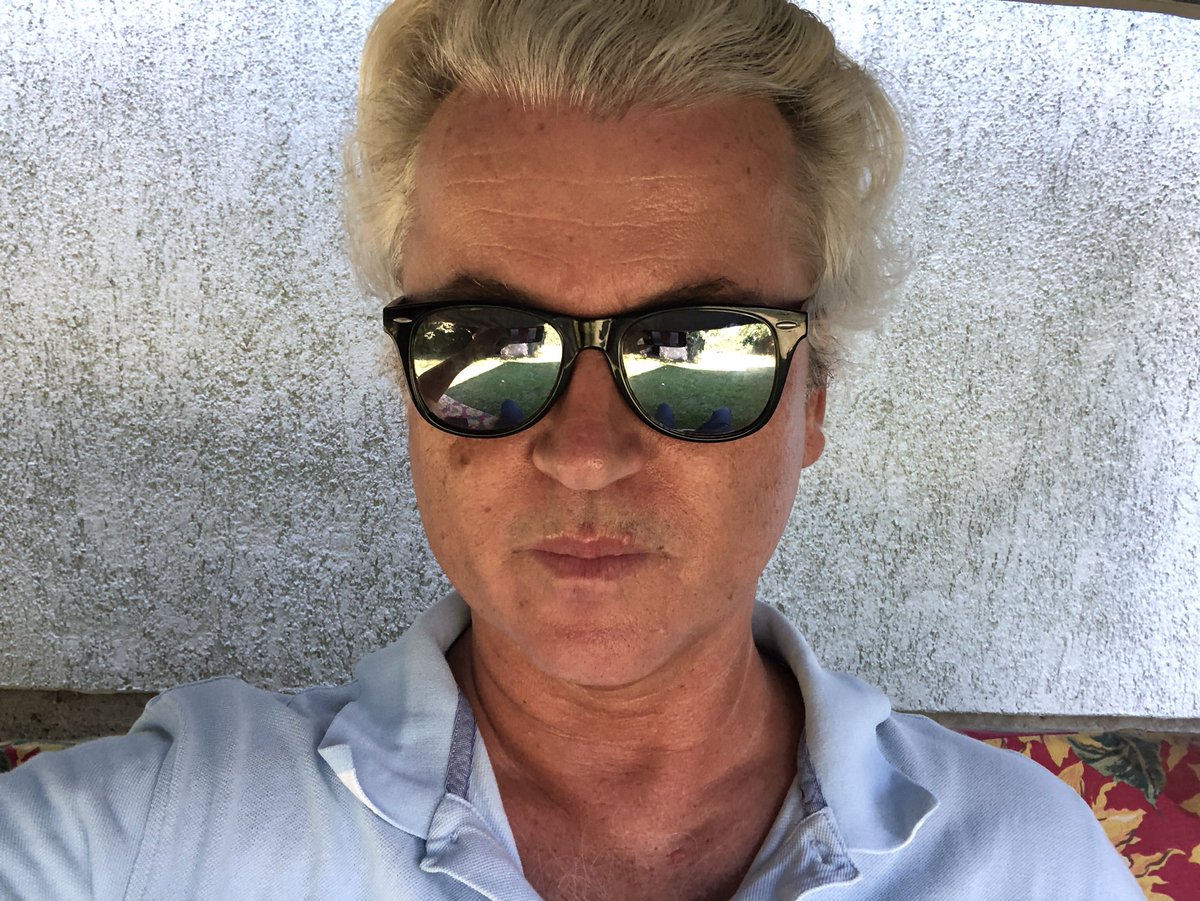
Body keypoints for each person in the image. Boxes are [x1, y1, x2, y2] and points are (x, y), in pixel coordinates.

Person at [0, 1, 1143, 898]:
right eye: (486, 341)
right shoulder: (136, 840)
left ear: (816, 399)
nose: (586, 453)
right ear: (408, 388)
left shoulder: (1027, 862)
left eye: (698, 349)